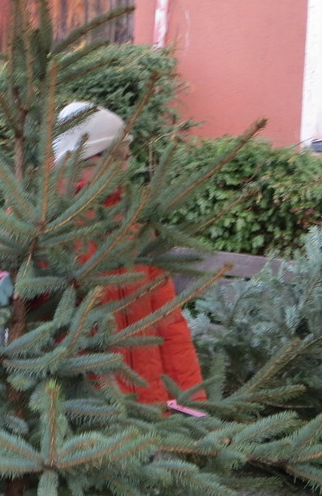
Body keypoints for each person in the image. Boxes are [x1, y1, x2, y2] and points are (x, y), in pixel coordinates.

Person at [52, 101, 206, 408]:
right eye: (117, 157)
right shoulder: (46, 223)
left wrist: (191, 404)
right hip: (82, 416)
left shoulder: (134, 225)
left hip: (147, 407)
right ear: (84, 158)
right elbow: (27, 310)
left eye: (126, 157)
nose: (126, 167)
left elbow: (168, 322)